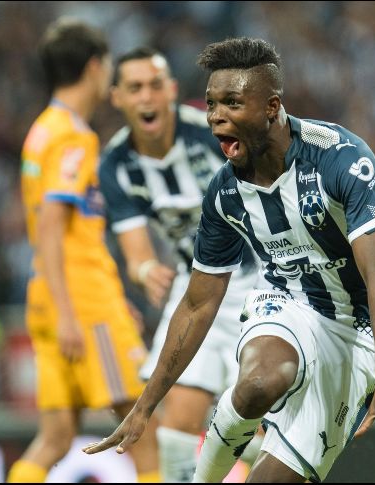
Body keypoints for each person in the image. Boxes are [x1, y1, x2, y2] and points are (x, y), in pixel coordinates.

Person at [84, 37, 375, 483]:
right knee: (258, 381)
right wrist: (145, 406)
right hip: (285, 302)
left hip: (356, 333)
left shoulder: (341, 159)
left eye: (232, 103)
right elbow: (197, 303)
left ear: (271, 107)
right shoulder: (225, 191)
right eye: (212, 103)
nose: (216, 116)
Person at [7, 18, 159, 483]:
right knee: (142, 427)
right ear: (95, 67)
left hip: (53, 299)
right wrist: (80, 313)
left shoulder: (41, 131)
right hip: (83, 303)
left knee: (55, 436)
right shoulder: (73, 137)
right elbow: (53, 228)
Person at [100, 46, 261, 482]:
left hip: (259, 282)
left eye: (156, 85)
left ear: (171, 90)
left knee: (264, 423)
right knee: (177, 425)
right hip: (196, 288)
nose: (147, 97)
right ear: (117, 97)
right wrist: (145, 271)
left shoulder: (212, 135)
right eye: (135, 88)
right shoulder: (115, 166)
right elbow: (136, 253)